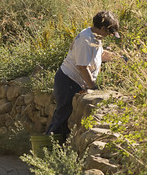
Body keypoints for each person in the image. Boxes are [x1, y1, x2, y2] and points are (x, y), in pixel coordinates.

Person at [45, 11, 120, 142]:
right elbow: (82, 67)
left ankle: (54, 149)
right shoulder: (86, 39)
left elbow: (101, 55)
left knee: (64, 116)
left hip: (74, 82)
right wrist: (94, 88)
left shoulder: (95, 37)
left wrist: (121, 58)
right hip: (68, 81)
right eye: (109, 32)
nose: (109, 35)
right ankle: (47, 148)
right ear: (102, 28)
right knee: (62, 117)